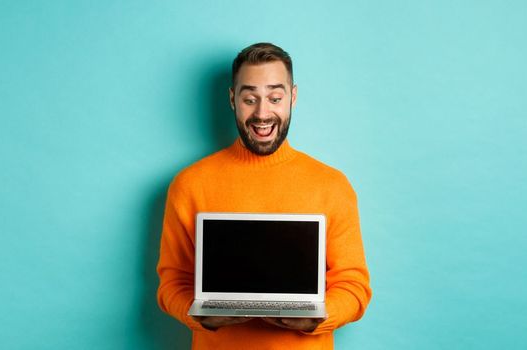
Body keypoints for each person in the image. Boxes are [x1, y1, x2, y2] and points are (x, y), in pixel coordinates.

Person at [156, 42, 372, 349]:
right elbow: (171, 284)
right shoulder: (190, 184)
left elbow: (355, 286)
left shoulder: (332, 185)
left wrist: (320, 317)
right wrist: (200, 316)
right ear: (233, 99)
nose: (262, 113)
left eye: (274, 97)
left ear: (292, 98)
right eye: (249, 99)